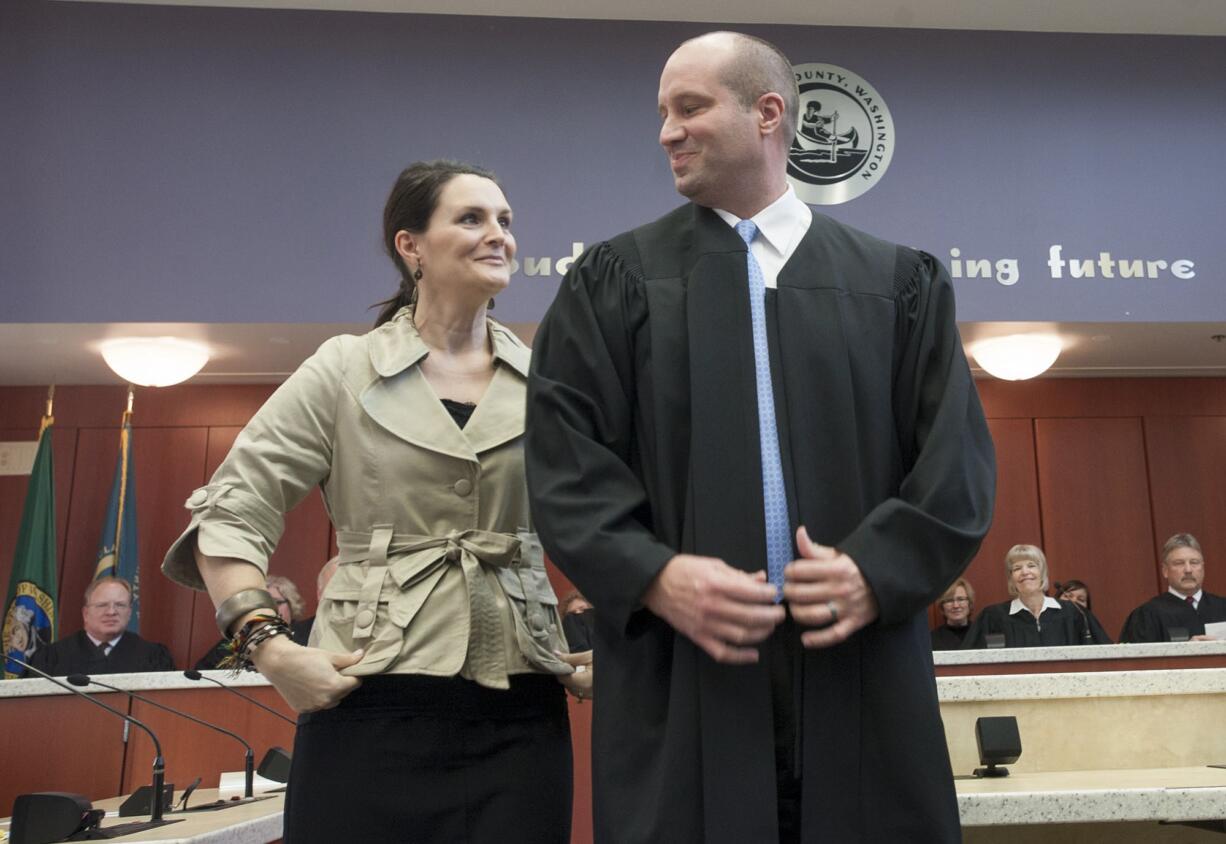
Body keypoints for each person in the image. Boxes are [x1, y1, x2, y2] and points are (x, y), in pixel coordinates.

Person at [525, 31, 995, 843]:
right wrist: (654, 575)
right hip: (686, 674)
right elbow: (566, 461)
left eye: (690, 107)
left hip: (857, 663)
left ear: (768, 113)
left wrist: (875, 571)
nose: (666, 131)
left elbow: (954, 465)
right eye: (662, 112)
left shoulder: (896, 282)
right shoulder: (614, 280)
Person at [162, 160, 589, 843]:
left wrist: (621, 643)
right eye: (472, 218)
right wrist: (268, 647)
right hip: (365, 700)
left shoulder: (548, 382)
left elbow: (606, 519)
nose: (499, 236)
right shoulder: (343, 369)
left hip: (521, 713)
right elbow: (232, 511)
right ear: (410, 245)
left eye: (506, 222)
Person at [963, 545, 1111, 648]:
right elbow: (970, 662)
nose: (1025, 572)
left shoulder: (1074, 613)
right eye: (1017, 568)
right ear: (1011, 578)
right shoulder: (993, 617)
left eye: (1031, 565)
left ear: (1043, 573)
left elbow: (1105, 653)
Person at [24, 576, 174, 676]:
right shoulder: (51, 657)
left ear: (129, 613)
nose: (111, 612)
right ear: (85, 613)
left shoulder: (153, 657)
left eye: (120, 605)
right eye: (102, 605)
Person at [1119, 533, 1226, 642]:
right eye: (1179, 563)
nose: (1188, 570)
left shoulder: (1222, 607)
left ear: (1203, 567)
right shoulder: (1147, 615)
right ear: (1165, 570)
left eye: (1194, 562)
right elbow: (1137, 658)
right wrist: (1186, 652)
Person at [193, 573, 310, 670]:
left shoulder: (306, 637)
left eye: (276, 602)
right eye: (264, 603)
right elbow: (203, 671)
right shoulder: (239, 637)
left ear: (291, 605)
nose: (271, 609)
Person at [931, 578, 975, 650]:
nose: (956, 605)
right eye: (949, 600)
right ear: (942, 606)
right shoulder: (932, 639)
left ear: (969, 603)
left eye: (960, 599)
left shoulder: (980, 634)